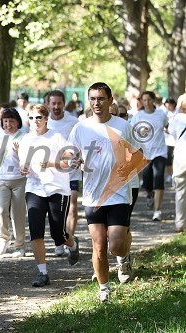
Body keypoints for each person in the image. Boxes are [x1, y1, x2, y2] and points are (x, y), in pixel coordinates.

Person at [68, 82, 145, 302]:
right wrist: (76, 162)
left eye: (101, 98)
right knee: (99, 245)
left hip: (119, 193)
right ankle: (104, 288)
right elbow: (70, 154)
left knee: (116, 246)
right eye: (92, 99)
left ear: (110, 101)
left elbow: (139, 156)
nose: (96, 103)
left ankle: (124, 255)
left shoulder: (122, 126)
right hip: (93, 196)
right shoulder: (81, 127)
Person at [19, 104, 79, 287]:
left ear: (46, 119)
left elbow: (71, 162)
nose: (35, 121)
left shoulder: (57, 137)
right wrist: (24, 168)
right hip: (35, 189)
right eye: (31, 118)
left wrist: (51, 163)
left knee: (57, 234)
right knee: (35, 231)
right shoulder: (25, 140)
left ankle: (73, 245)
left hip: (57, 189)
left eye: (38, 117)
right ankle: (42, 272)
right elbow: (23, 163)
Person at [0, 108, 27, 256]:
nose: (8, 124)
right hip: (1, 180)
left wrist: (18, 153)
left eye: (11, 121)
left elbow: (28, 162)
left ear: (17, 122)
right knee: (0, 210)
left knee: (18, 214)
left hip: (19, 180)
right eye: (5, 121)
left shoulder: (23, 137)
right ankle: (3, 239)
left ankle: (19, 245)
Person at [45, 90, 80, 257]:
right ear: (48, 105)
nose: (56, 106)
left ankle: (68, 240)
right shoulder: (44, 123)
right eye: (53, 103)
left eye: (59, 103)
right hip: (53, 175)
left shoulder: (73, 122)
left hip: (71, 172)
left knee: (72, 205)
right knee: (56, 211)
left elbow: (79, 144)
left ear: (64, 104)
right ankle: (60, 239)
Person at [130, 90, 168, 221]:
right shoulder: (138, 116)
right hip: (145, 153)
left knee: (159, 178)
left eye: (149, 100)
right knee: (147, 180)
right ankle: (150, 195)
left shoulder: (161, 114)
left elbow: (167, 127)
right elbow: (131, 131)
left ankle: (157, 211)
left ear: (153, 100)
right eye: (144, 100)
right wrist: (141, 132)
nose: (147, 102)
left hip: (160, 152)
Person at [169, 98, 186, 233]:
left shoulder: (177, 118)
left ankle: (179, 224)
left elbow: (172, 132)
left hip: (181, 156)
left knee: (180, 191)